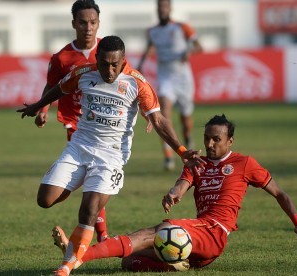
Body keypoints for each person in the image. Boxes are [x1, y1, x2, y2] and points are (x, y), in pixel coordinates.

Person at [17, 35, 205, 276]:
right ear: (97, 58)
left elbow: (157, 118)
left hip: (111, 156)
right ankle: (84, 182)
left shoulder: (137, 82)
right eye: (104, 63)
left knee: (89, 209)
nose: (109, 70)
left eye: (115, 64)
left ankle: (66, 266)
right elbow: (59, 89)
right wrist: (38, 106)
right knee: (45, 199)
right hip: (79, 148)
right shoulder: (83, 73)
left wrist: (180, 150)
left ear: (123, 60)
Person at [51, 114, 297, 272]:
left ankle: (77, 257)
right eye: (206, 138)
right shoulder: (196, 163)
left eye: (216, 140)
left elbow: (280, 193)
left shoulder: (245, 164)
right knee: (129, 262)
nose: (209, 144)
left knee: (154, 232)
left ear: (230, 141)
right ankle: (179, 264)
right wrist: (173, 194)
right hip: (199, 238)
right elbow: (182, 184)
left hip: (214, 231)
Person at [34, 0, 110, 244]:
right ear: (74, 24)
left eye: (93, 22)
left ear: (98, 23)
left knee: (94, 179)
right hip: (76, 123)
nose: (88, 27)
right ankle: (101, 234)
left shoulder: (108, 51)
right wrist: (43, 108)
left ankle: (102, 235)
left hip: (105, 126)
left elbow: (128, 82)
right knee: (91, 178)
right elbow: (52, 86)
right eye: (83, 22)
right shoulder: (62, 57)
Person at [137, 0, 203, 171]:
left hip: (183, 78)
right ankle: (168, 157)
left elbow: (199, 46)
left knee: (185, 120)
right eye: (160, 7)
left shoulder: (182, 27)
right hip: (165, 78)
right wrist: (140, 65)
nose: (162, 10)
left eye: (165, 7)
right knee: (163, 112)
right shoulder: (152, 31)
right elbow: (150, 48)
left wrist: (189, 51)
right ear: (157, 9)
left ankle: (187, 137)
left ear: (170, 9)